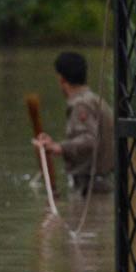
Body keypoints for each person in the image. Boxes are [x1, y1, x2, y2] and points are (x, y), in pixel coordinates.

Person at [36, 52, 115, 194]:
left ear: (61, 79)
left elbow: (90, 139)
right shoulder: (96, 100)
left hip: (92, 189)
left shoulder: (81, 105)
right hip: (101, 185)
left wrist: (59, 147)